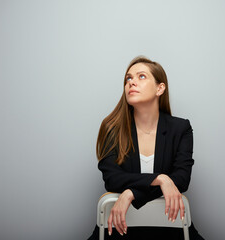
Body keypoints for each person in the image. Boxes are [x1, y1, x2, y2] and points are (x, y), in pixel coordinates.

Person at [88, 56, 205, 240]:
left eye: (141, 76)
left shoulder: (181, 128)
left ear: (160, 88)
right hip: (120, 230)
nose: (131, 82)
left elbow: (181, 180)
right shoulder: (112, 128)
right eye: (128, 78)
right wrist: (161, 179)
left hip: (170, 229)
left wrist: (131, 193)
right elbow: (112, 179)